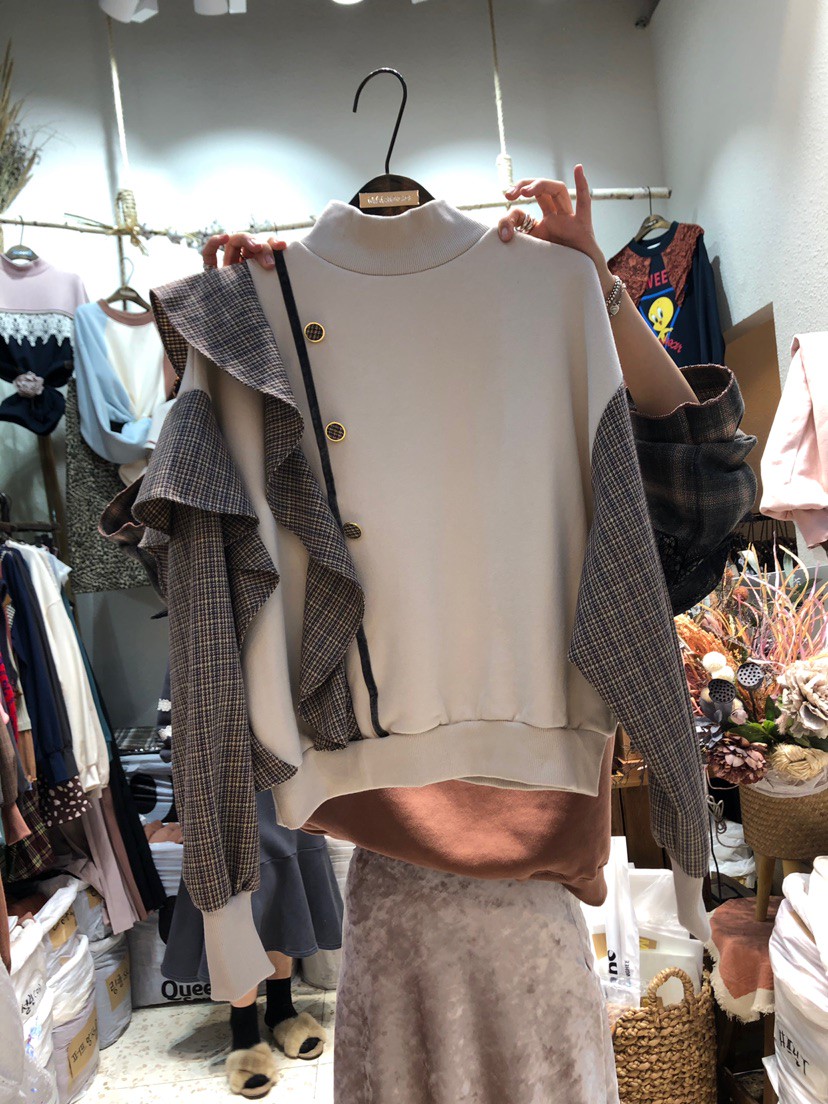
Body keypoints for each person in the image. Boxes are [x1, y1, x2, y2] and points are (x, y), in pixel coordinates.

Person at [188, 166, 754, 1104]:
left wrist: (596, 286)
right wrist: (235, 325)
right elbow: (211, 582)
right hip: (398, 863)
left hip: (526, 860)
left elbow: (700, 497)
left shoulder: (553, 291)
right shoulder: (261, 310)